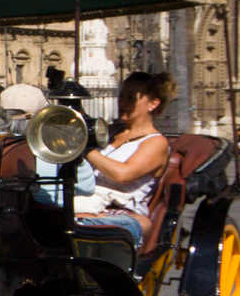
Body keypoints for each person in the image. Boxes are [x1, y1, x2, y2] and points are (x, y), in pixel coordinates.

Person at [72, 72, 173, 246]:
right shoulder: (111, 132)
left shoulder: (156, 142)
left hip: (119, 211)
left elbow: (122, 174)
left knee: (77, 224)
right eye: (121, 97)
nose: (122, 103)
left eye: (130, 98)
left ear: (153, 103)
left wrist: (85, 150)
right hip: (84, 200)